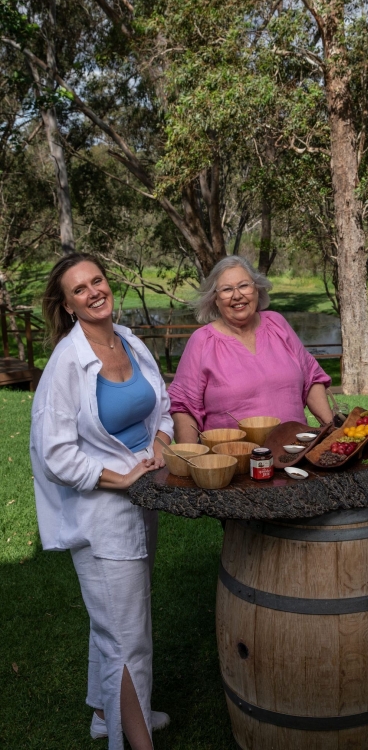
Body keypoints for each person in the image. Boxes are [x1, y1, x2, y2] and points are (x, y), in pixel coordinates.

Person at [30, 253, 174, 750]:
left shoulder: (128, 341)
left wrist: (158, 446)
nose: (93, 292)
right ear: (68, 305)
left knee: (116, 618)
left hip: (142, 499)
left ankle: (102, 711)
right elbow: (56, 456)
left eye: (97, 281)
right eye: (79, 289)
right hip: (103, 516)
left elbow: (162, 407)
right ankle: (132, 741)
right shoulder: (67, 364)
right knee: (127, 639)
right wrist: (124, 476)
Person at [168, 256, 333, 441]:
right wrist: (191, 459)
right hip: (233, 460)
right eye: (227, 289)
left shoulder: (277, 323)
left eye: (244, 285)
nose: (237, 295)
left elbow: (311, 379)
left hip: (296, 452)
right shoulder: (202, 341)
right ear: (215, 299)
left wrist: (332, 429)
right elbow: (183, 406)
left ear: (256, 289)